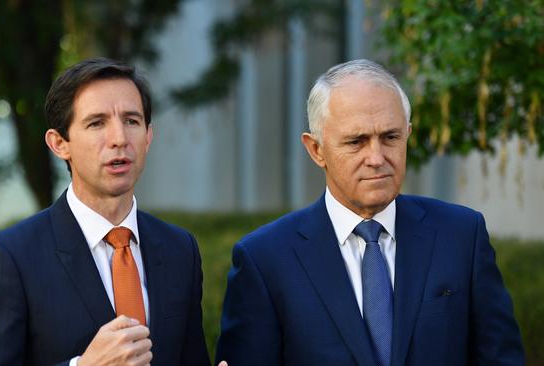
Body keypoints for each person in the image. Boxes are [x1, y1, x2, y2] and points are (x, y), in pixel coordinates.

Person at [215, 59, 524, 365]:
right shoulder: (265, 259)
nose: (376, 157)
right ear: (316, 150)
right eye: (356, 141)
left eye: (390, 137)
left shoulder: (461, 236)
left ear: (408, 134)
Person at [0, 58, 211, 366]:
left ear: (148, 136)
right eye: (97, 123)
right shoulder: (9, 259)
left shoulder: (180, 249)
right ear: (60, 144)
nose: (119, 139)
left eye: (131, 121)